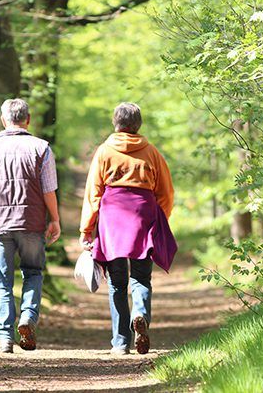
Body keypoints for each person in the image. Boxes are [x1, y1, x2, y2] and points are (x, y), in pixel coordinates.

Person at [79, 102, 177, 355]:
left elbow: (93, 193)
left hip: (112, 218)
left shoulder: (104, 151)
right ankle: (140, 314)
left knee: (117, 282)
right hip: (143, 216)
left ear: (116, 123)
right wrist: (160, 218)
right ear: (138, 124)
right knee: (141, 277)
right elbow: (166, 192)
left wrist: (86, 229)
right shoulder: (151, 152)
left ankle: (121, 342)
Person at [0, 98, 61, 354]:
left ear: (4, 120)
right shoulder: (42, 148)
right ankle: (28, 318)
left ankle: (4, 337)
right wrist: (55, 219)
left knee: (2, 281)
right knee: (33, 272)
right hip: (31, 222)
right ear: (28, 120)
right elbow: (48, 190)